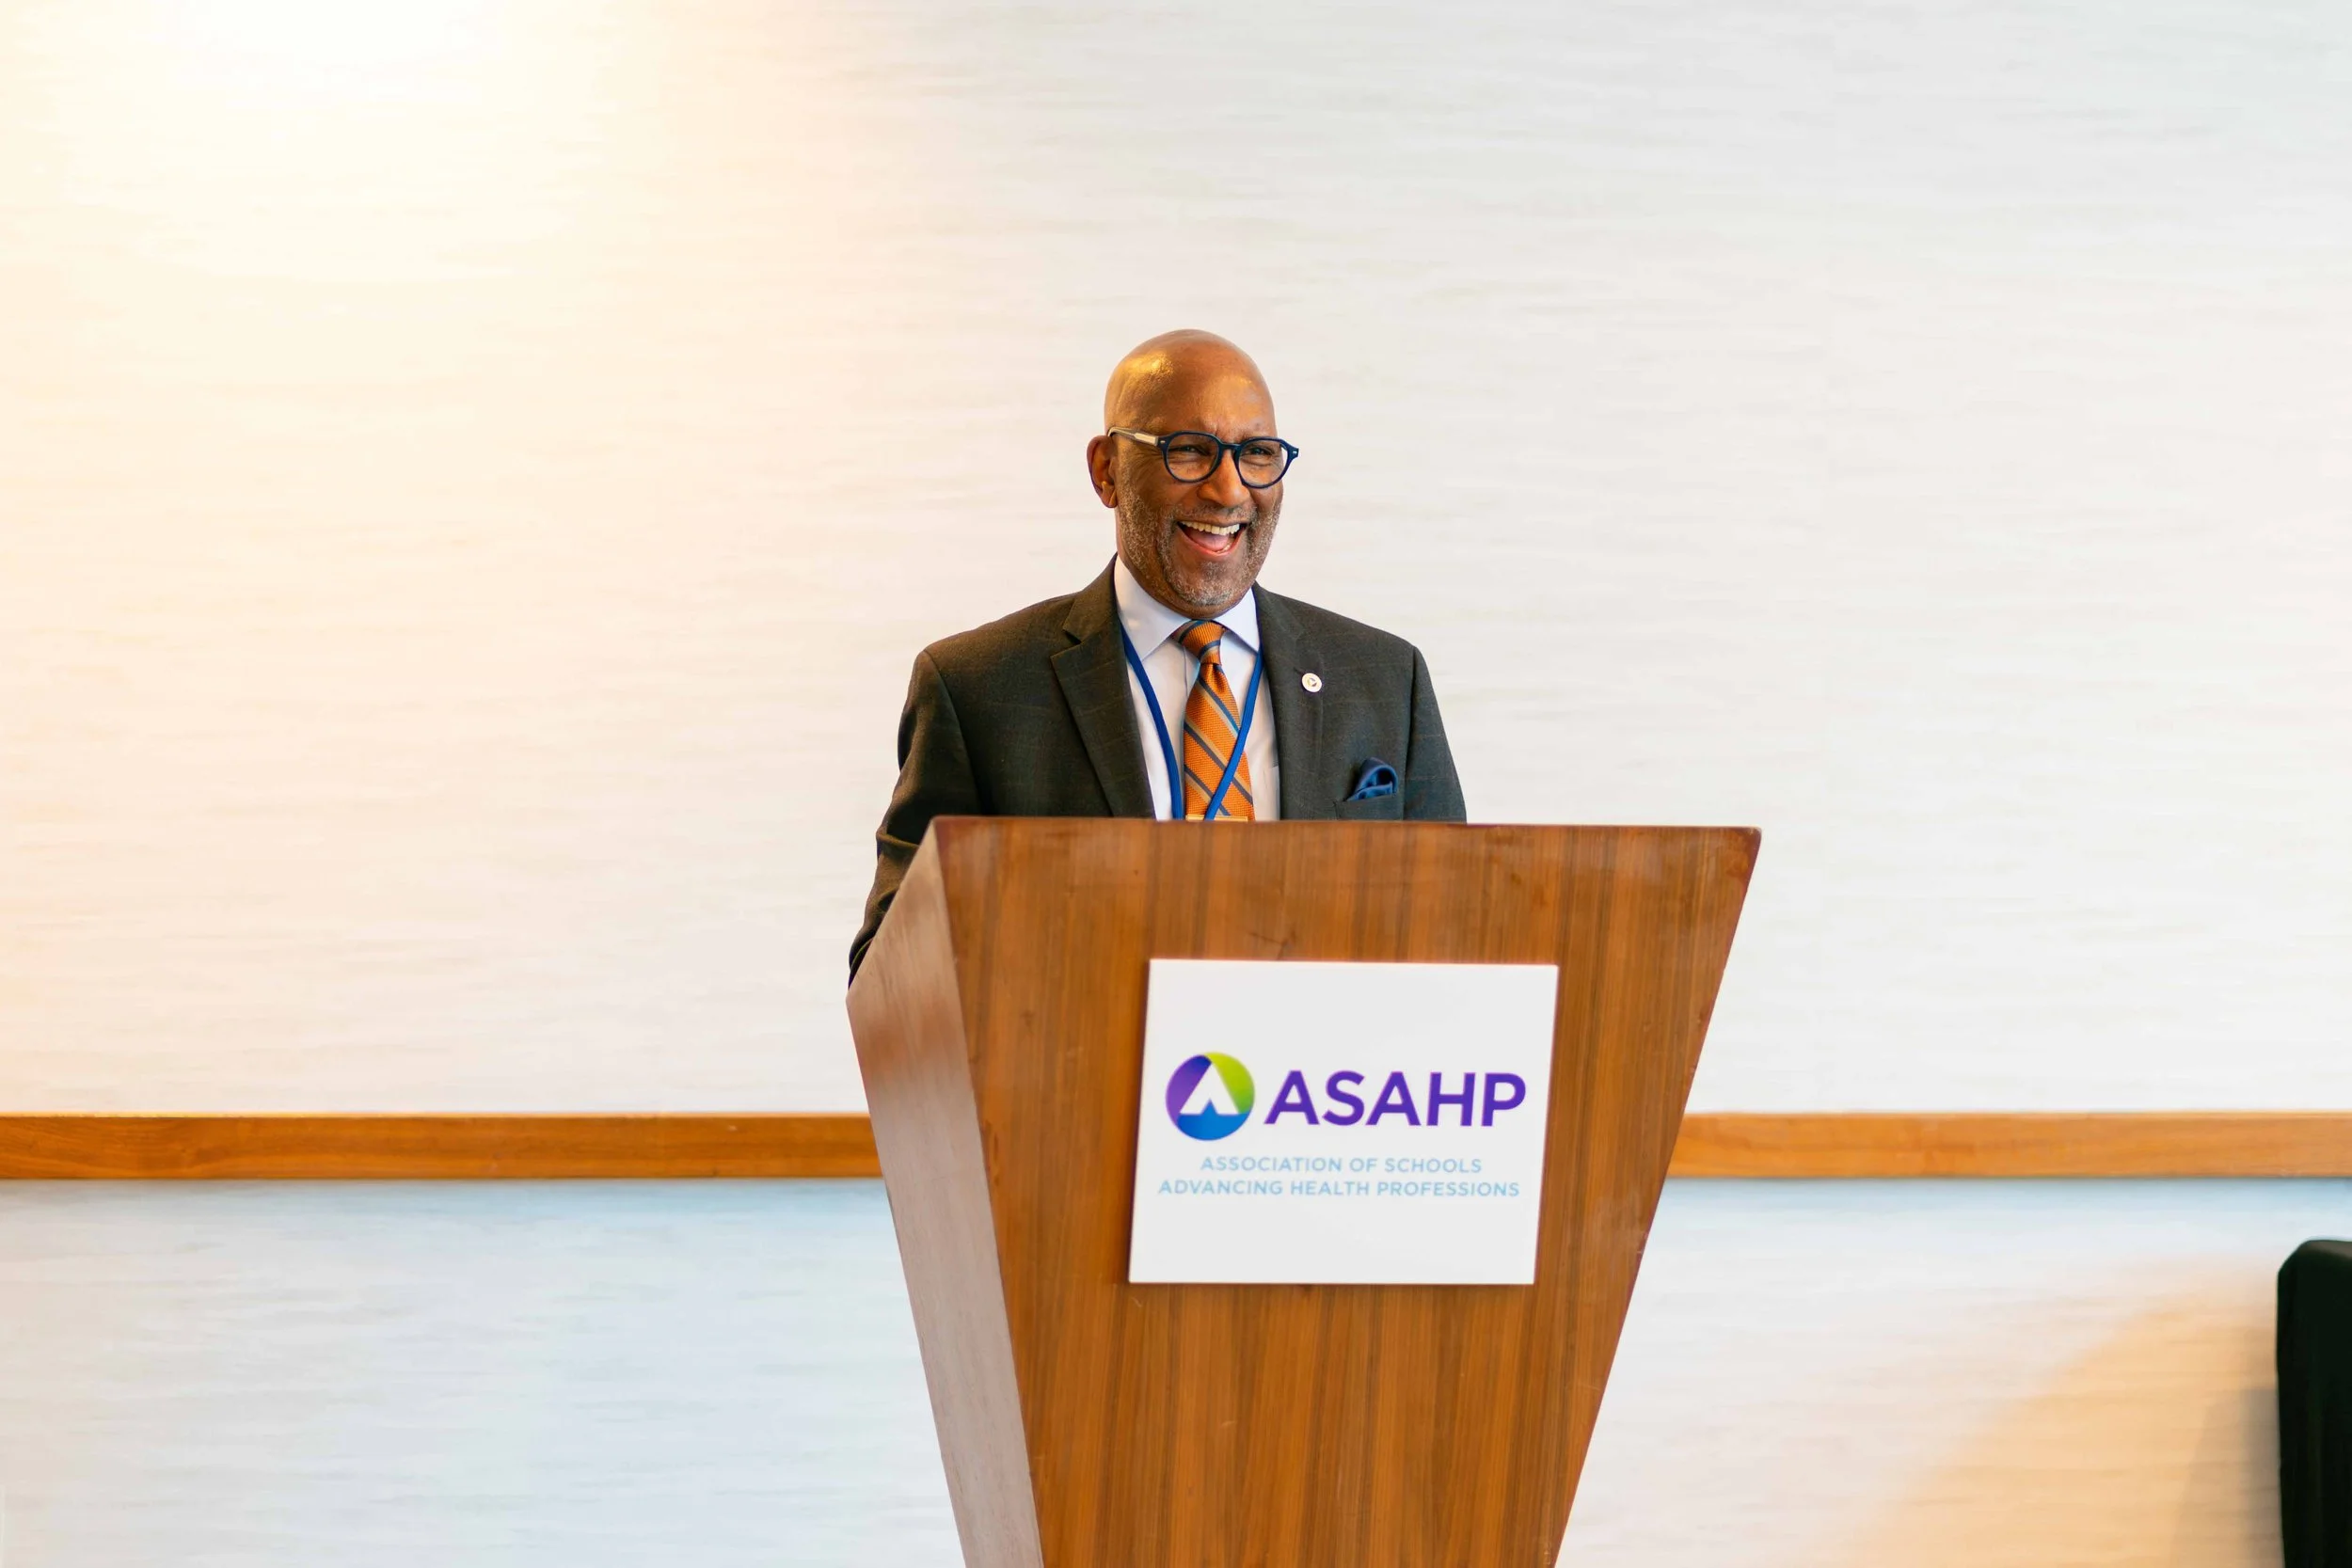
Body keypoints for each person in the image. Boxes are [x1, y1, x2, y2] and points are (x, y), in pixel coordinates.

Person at [850, 329, 1466, 977]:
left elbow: (1461, 933)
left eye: (1256, 454)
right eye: (1191, 452)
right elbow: (890, 976)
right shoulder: (977, 690)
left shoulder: (1386, 680)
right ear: (1106, 470)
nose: (1229, 490)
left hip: (1318, 1078)